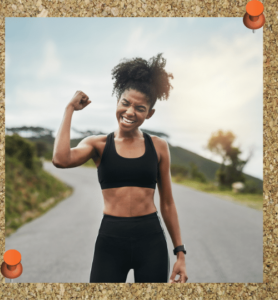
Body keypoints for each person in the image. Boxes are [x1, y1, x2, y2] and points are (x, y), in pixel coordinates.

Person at [52, 53, 188, 283]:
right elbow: (60, 159)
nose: (130, 112)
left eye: (140, 108)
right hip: (111, 241)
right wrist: (69, 109)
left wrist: (180, 253)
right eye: (125, 103)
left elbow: (167, 203)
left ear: (150, 113)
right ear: (117, 101)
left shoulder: (159, 147)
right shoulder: (98, 145)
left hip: (151, 242)